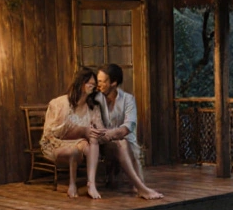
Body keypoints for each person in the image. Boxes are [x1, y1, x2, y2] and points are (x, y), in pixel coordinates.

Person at [94, 64, 163, 199]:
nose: (98, 84)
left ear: (113, 83)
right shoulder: (96, 99)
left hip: (121, 139)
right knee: (122, 143)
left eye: (102, 81)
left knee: (126, 143)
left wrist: (112, 134)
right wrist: (106, 136)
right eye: (98, 80)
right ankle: (141, 187)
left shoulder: (128, 99)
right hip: (103, 143)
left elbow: (128, 126)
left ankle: (139, 186)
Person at [41, 68, 104, 199]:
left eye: (94, 84)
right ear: (81, 83)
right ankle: (72, 184)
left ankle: (91, 184)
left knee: (91, 140)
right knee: (76, 149)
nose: (93, 87)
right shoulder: (59, 103)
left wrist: (99, 132)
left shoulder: (93, 107)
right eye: (90, 84)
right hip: (57, 143)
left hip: (81, 142)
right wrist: (80, 130)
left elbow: (101, 129)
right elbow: (50, 133)